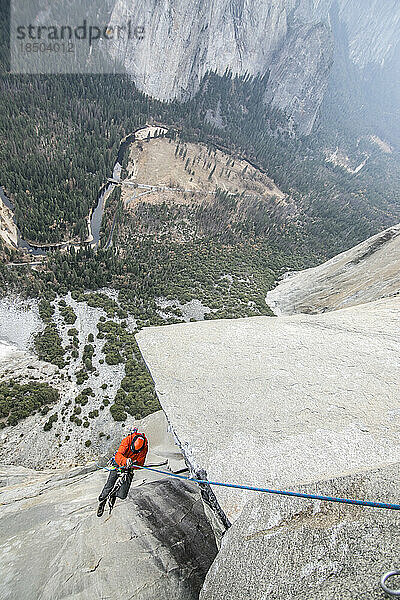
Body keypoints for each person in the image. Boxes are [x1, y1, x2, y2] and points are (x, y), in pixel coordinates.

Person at [97, 430, 148, 517]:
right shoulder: (127, 440)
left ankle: (113, 495)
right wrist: (125, 461)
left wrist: (134, 464)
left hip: (130, 466)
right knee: (110, 483)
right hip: (119, 463)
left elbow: (141, 463)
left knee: (123, 495)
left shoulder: (144, 447)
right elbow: (118, 455)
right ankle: (102, 500)